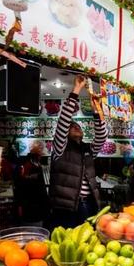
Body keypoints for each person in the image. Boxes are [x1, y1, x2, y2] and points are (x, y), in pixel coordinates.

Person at [48, 75, 107, 228]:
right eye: (71, 126)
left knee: (88, 242)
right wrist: (76, 90)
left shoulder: (87, 149)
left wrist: (97, 112)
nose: (76, 127)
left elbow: (102, 136)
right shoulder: (60, 148)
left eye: (78, 126)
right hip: (66, 207)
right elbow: (63, 122)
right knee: (68, 243)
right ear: (65, 133)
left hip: (88, 204)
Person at [14, 141, 48, 226]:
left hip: (31, 208)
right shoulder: (30, 165)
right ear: (39, 151)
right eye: (41, 150)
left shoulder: (33, 163)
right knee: (34, 233)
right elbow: (37, 189)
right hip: (32, 209)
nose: (43, 153)